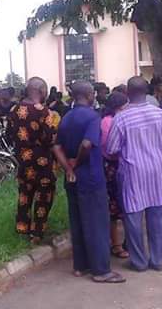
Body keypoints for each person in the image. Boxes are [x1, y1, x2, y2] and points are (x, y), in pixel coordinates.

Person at [53, 81, 126, 284]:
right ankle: (101, 270)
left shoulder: (66, 117)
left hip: (72, 179)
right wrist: (78, 161)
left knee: (77, 220)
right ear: (89, 94)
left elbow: (56, 147)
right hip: (91, 177)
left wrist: (68, 169)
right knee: (96, 223)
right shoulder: (92, 117)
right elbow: (87, 144)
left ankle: (80, 266)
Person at [107, 76, 162, 272]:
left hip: (133, 173)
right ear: (146, 91)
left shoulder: (121, 117)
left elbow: (112, 149)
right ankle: (158, 260)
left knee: (133, 219)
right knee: (158, 219)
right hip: (157, 171)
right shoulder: (161, 114)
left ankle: (138, 262)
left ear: (127, 93)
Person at [8, 77, 59, 244]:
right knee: (44, 196)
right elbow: (50, 139)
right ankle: (36, 232)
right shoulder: (44, 112)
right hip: (42, 161)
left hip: (23, 160)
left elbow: (9, 134)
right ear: (42, 91)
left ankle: (22, 227)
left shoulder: (14, 110)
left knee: (25, 193)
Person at [100, 91, 129, 259]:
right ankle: (117, 244)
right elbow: (111, 149)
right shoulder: (110, 122)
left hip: (111, 166)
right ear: (119, 106)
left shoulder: (106, 120)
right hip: (114, 165)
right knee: (117, 207)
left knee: (117, 207)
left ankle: (120, 243)